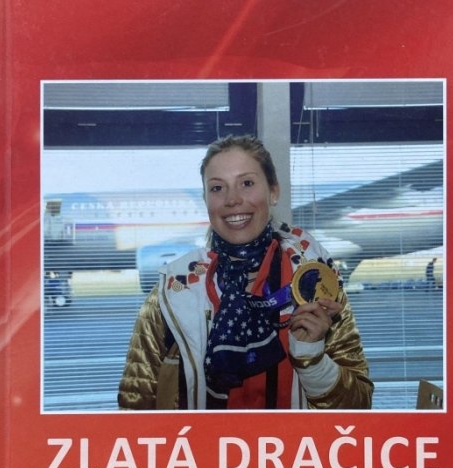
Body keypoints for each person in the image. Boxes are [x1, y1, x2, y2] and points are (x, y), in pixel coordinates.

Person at [118, 135, 373, 410]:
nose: (232, 199)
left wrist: (312, 359)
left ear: (273, 192)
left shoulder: (314, 284)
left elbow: (359, 406)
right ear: (206, 200)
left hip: (297, 440)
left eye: (247, 183)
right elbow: (134, 410)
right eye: (217, 188)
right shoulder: (172, 293)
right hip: (202, 440)